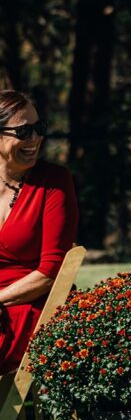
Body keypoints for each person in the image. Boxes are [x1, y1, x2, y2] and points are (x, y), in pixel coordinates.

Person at [0, 90, 78, 374]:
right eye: (23, 131)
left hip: (33, 307)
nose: (34, 138)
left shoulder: (54, 183)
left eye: (38, 128)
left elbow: (50, 272)